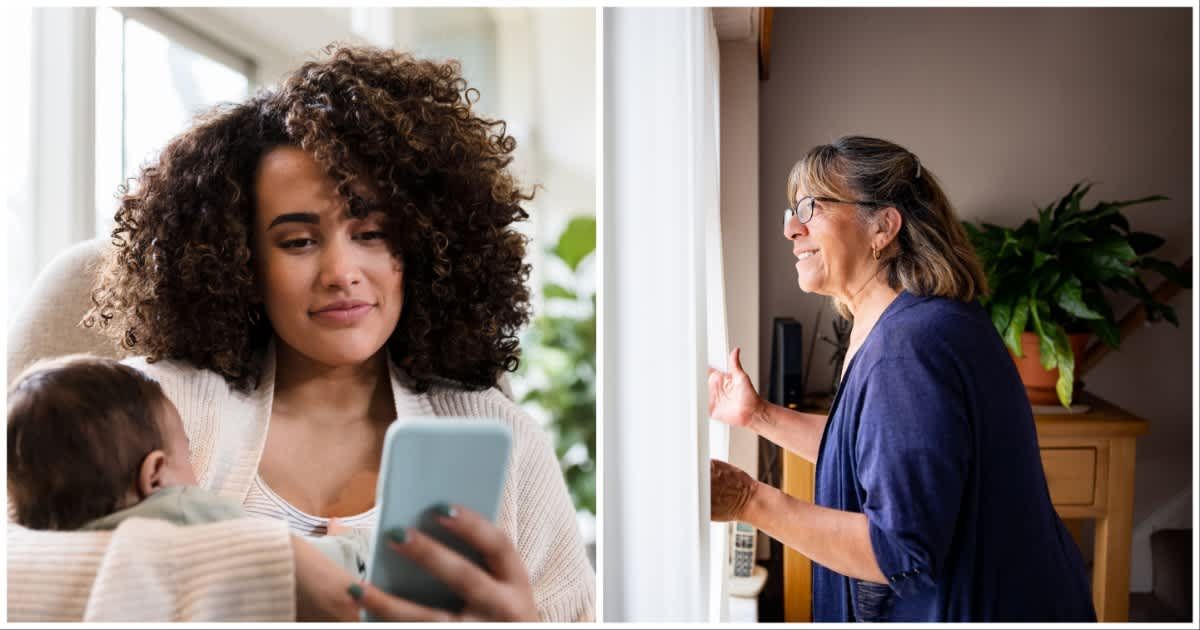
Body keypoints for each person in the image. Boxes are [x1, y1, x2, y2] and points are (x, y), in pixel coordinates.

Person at [6, 45, 593, 622]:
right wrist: (273, 563)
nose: (341, 273)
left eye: (372, 233)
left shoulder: (502, 440)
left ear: (420, 246)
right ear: (243, 261)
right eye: (298, 241)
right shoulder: (152, 412)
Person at [707, 136, 1095, 621]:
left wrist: (749, 499)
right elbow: (872, 453)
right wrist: (758, 415)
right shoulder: (914, 321)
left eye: (811, 206)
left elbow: (898, 550)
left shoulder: (909, 350)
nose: (791, 227)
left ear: (884, 227)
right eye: (792, 209)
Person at [7, 355, 368, 576]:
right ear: (155, 474)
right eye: (187, 454)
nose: (193, 471)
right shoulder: (182, 513)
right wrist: (347, 546)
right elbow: (285, 563)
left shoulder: (50, 540)